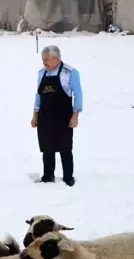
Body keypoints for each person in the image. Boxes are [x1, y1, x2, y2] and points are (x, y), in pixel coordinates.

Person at [31, 45, 83, 187]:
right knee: (47, 148)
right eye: (43, 60)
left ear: (57, 59)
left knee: (65, 148)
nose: (44, 63)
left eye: (47, 60)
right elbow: (38, 96)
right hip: (45, 116)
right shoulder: (42, 73)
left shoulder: (70, 72)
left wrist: (75, 116)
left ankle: (68, 177)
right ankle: (47, 176)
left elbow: (78, 95)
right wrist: (35, 115)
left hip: (63, 117)